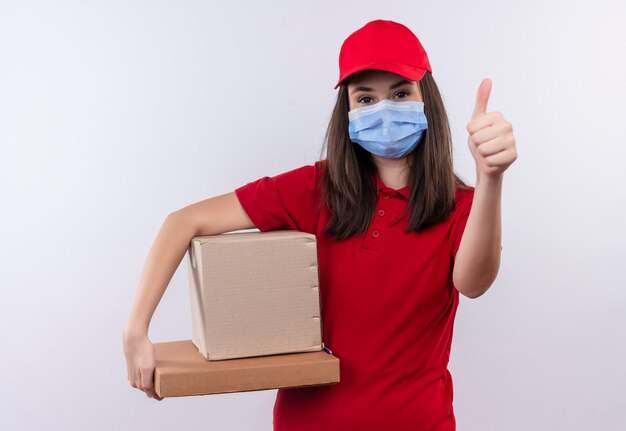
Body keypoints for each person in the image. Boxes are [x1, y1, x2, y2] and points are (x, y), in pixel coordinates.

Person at [123, 18, 517, 431]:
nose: (383, 109)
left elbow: (473, 282)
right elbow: (183, 222)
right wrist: (136, 330)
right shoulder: (314, 188)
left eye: (400, 93)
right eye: (365, 99)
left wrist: (491, 178)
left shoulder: (461, 206)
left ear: (427, 100)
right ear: (346, 110)